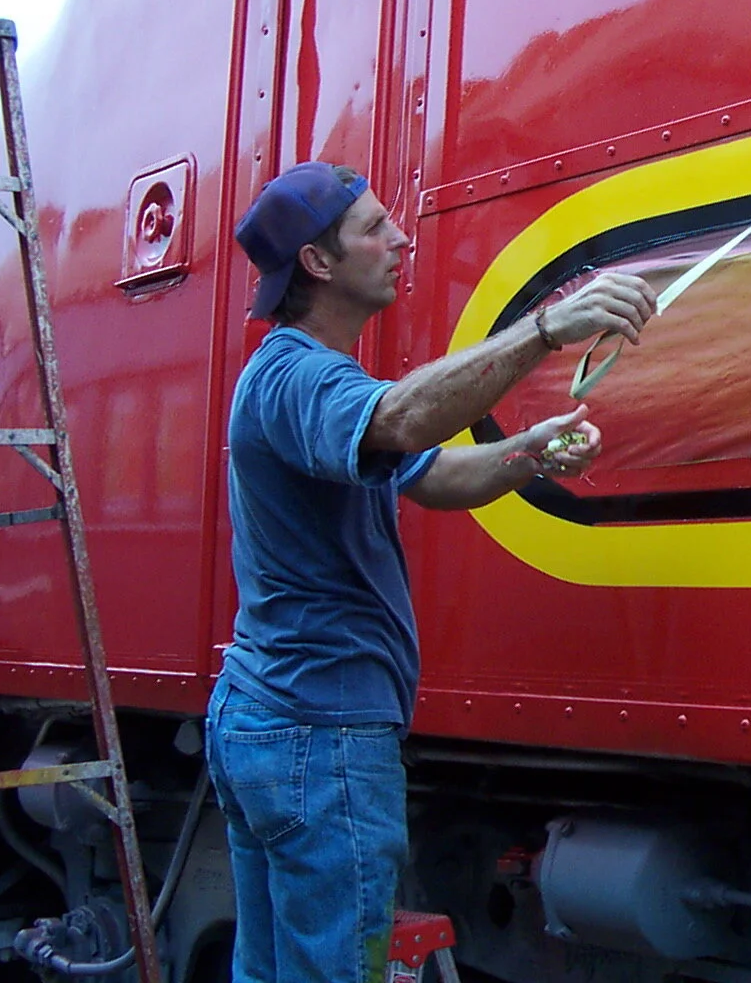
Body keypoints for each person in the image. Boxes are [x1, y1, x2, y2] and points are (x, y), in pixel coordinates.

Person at [204, 161, 657, 983]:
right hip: (319, 728)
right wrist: (549, 328)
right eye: (374, 227)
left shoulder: (316, 383)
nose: (400, 238)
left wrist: (530, 454)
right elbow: (407, 415)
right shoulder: (299, 378)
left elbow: (435, 473)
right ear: (317, 263)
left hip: (279, 717)